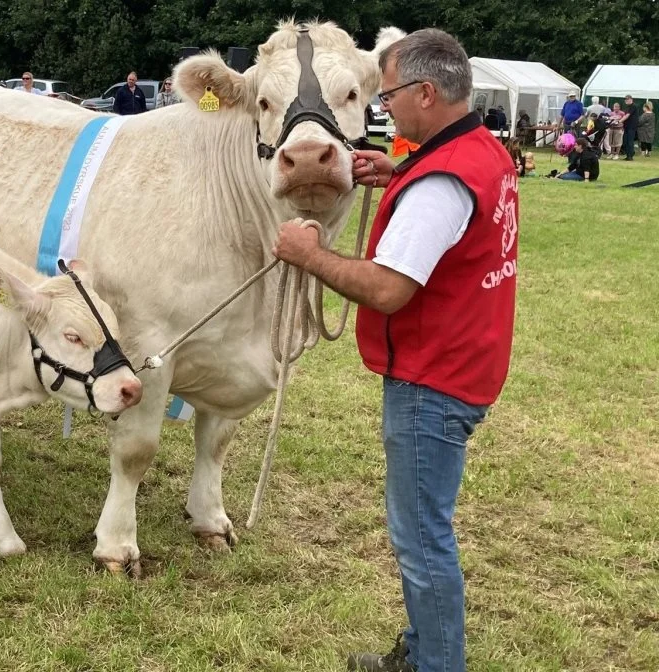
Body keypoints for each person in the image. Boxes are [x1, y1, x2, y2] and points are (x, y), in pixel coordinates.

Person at [273, 28, 518, 672]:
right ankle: (425, 648)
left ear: (428, 93)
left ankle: (434, 664)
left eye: (389, 95)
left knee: (421, 539)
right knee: (424, 530)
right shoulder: (481, 150)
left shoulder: (441, 184)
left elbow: (386, 289)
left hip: (431, 379)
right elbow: (447, 204)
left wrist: (311, 253)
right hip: (465, 362)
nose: (384, 108)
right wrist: (399, 170)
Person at [620, 94, 639, 161]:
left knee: (630, 141)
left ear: (631, 99)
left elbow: (627, 116)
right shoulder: (627, 107)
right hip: (627, 127)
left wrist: (619, 121)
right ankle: (628, 155)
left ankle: (630, 156)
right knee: (626, 141)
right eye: (626, 99)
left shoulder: (633, 106)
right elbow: (625, 116)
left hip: (631, 127)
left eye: (628, 99)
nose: (626, 100)